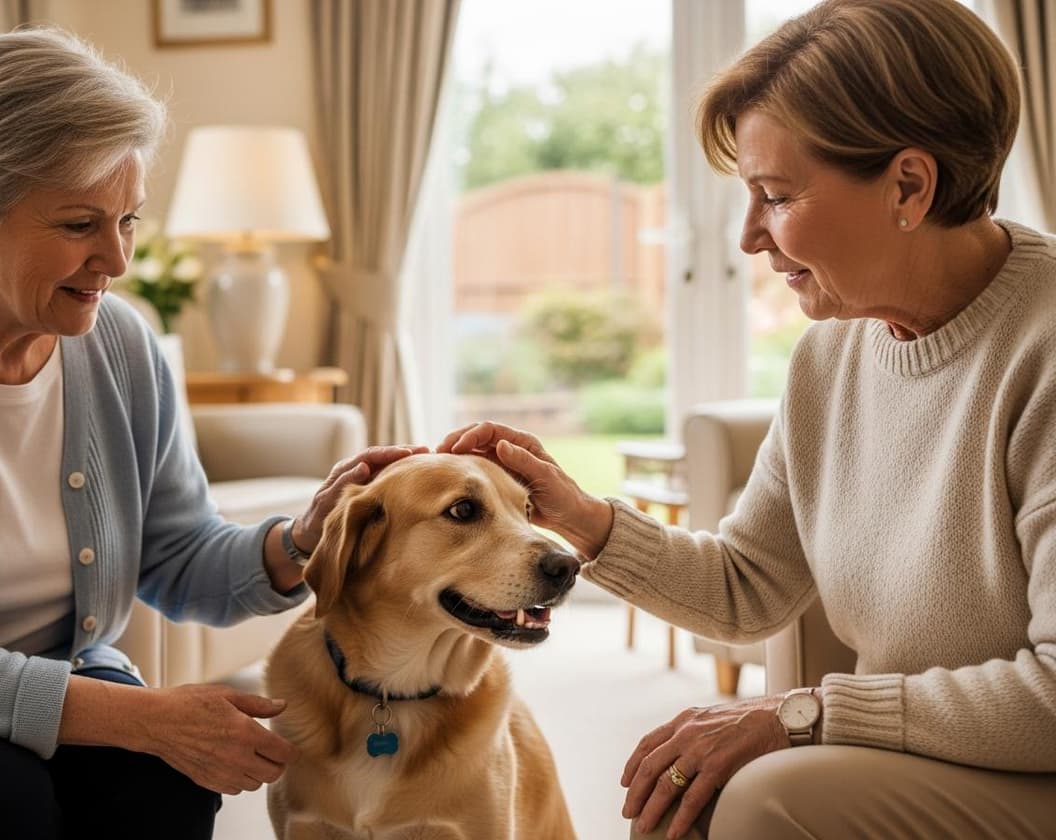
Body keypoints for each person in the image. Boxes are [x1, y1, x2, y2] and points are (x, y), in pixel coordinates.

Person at [442, 0, 1056, 836]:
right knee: (688, 792)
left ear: (910, 186)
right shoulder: (832, 356)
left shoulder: (1044, 349)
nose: (747, 238)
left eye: (774, 196)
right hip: (936, 755)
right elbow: (749, 586)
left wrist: (797, 715)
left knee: (760, 800)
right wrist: (582, 521)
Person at [0, 28, 422, 840]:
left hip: (70, 676)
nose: (117, 260)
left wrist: (300, 539)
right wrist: (145, 716)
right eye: (82, 224)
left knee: (158, 784)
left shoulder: (119, 344)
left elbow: (179, 557)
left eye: (128, 220)